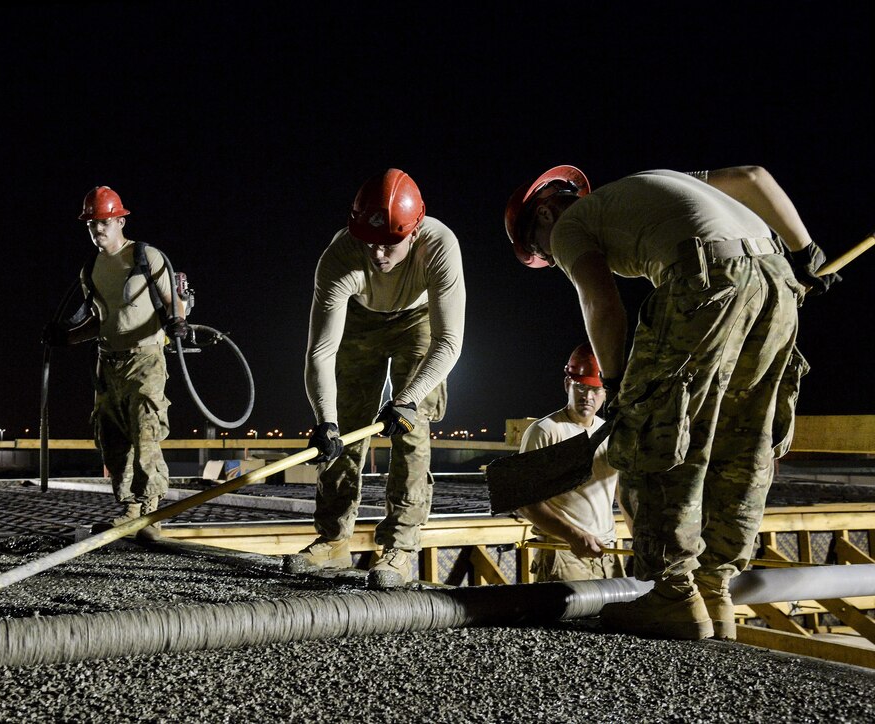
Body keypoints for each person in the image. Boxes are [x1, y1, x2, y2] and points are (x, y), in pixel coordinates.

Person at [504, 164, 839, 640]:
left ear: (543, 212)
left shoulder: (570, 225)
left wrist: (620, 386)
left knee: (651, 434)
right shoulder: (659, 180)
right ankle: (714, 590)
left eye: (542, 252)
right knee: (742, 439)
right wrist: (806, 251)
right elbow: (754, 176)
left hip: (706, 278)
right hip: (777, 279)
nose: (553, 259)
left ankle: (673, 595)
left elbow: (602, 303)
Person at [298, 168, 466, 588]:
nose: (376, 253)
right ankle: (334, 538)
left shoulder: (440, 247)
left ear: (414, 230)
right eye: (368, 241)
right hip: (360, 318)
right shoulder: (338, 258)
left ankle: (401, 546)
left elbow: (449, 342)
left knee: (411, 425)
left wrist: (407, 398)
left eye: (390, 243)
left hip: (420, 321)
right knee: (347, 426)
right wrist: (325, 421)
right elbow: (321, 352)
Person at [43, 186, 189, 536]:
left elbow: (173, 302)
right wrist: (68, 337)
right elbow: (100, 320)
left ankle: (150, 512)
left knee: (146, 431)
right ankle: (129, 509)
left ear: (121, 220)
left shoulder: (145, 256)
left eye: (105, 222)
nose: (98, 229)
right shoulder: (91, 268)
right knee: (112, 437)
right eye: (92, 223)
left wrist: (177, 320)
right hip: (107, 362)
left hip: (145, 357)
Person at [517, 343, 625, 583]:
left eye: (595, 390)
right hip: (563, 553)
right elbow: (526, 502)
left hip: (606, 552)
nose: (588, 396)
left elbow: (621, 493)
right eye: (580, 387)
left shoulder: (609, 434)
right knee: (567, 621)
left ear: (606, 393)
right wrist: (573, 535)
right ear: (568, 385)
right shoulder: (546, 431)